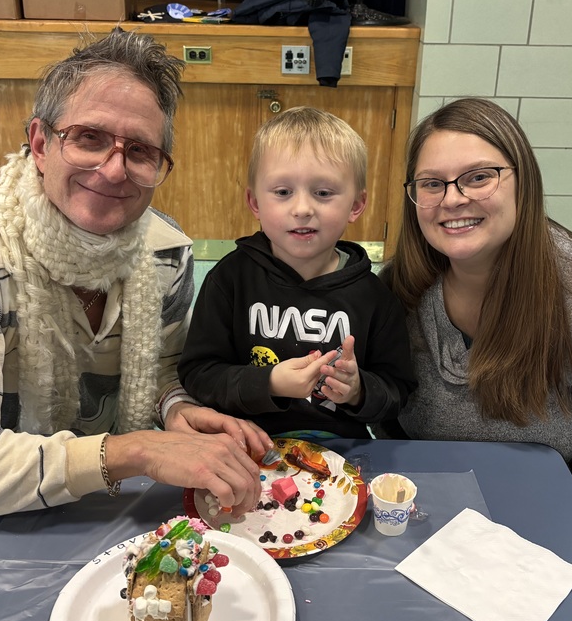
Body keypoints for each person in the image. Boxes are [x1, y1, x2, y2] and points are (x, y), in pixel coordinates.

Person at [0, 29, 271, 519]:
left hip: (99, 503)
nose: (114, 171)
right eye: (89, 138)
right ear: (41, 143)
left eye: (139, 151)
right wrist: (136, 452)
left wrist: (175, 407)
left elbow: (158, 369)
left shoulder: (167, 251)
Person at [379, 98, 572, 466]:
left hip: (549, 511)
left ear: (524, 182)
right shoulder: (399, 287)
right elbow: (386, 423)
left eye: (479, 177)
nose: (453, 199)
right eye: (432, 184)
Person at [177, 106, 416, 439]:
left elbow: (397, 391)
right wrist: (270, 382)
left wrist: (359, 390)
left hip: (341, 457)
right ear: (255, 202)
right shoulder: (229, 280)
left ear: (356, 206)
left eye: (323, 193)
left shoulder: (375, 298)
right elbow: (199, 374)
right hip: (242, 445)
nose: (302, 209)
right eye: (283, 192)